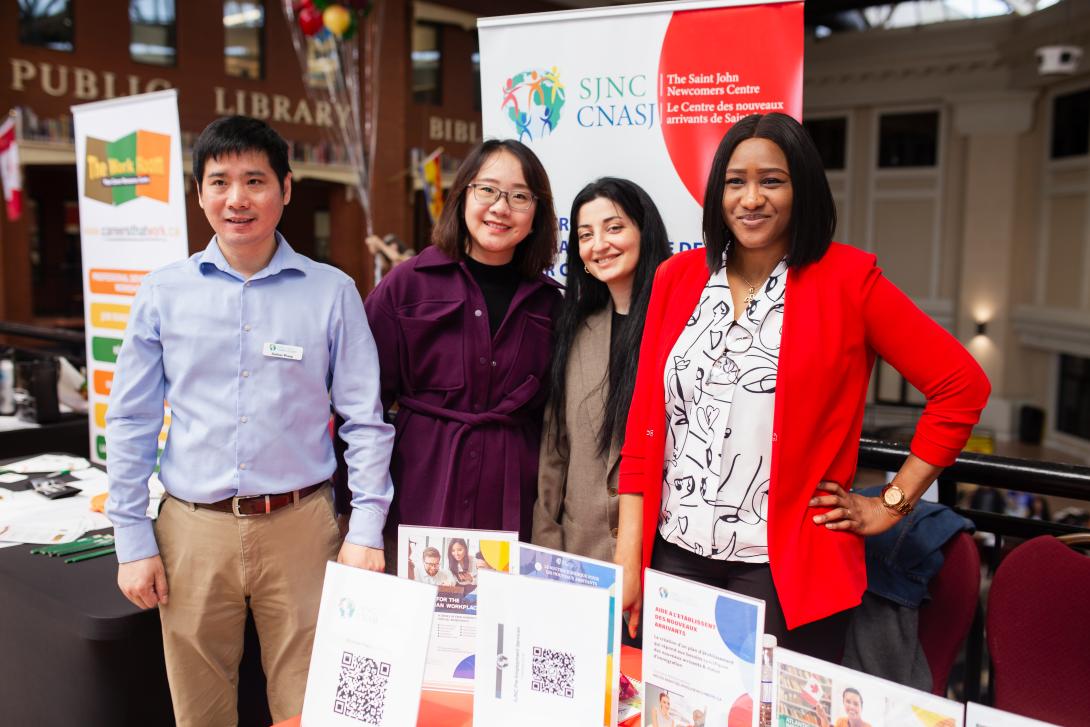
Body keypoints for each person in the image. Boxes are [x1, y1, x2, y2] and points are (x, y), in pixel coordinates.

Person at [615, 113, 990, 662]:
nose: (751, 198)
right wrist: (631, 560)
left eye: (772, 180)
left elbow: (961, 386)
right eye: (735, 181)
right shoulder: (677, 278)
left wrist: (891, 503)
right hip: (675, 557)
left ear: (802, 189)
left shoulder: (849, 281)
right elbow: (643, 429)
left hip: (781, 572)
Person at [105, 116, 394, 725]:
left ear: (286, 189)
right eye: (220, 181)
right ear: (200, 192)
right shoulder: (162, 293)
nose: (237, 199)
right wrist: (131, 538)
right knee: (200, 709)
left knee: (315, 707)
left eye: (255, 180)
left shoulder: (331, 291)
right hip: (192, 532)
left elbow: (364, 421)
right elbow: (130, 420)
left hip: (303, 527)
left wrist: (365, 529)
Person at [366, 139, 561, 543]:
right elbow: (362, 406)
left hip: (512, 501)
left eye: (520, 196)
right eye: (487, 189)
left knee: (502, 605)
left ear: (536, 213)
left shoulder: (552, 303)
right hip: (419, 490)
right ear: (462, 194)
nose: (500, 207)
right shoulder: (406, 285)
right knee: (417, 606)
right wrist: (359, 515)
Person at [532, 178, 670, 563]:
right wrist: (546, 548)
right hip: (582, 557)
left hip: (663, 558)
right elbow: (554, 450)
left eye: (614, 227)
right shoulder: (574, 329)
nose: (599, 245)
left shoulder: (682, 327)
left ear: (646, 231)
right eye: (585, 235)